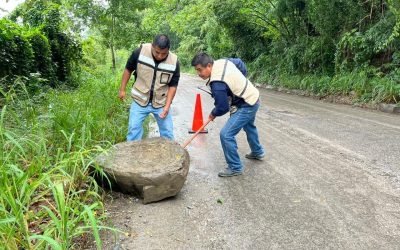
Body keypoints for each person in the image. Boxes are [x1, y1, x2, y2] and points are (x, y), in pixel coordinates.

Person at [191, 52, 265, 177]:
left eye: (200, 70)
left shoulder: (217, 83)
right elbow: (240, 63)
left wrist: (213, 113)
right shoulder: (222, 61)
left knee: (226, 134)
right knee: (249, 126)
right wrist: (239, 82)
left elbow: (222, 107)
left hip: (247, 104)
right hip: (253, 97)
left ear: (209, 65)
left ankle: (235, 167)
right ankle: (258, 152)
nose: (199, 74)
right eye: (197, 70)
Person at [119, 34, 180, 141]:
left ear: (168, 50)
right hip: (139, 100)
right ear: (152, 46)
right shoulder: (139, 52)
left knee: (168, 134)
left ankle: (169, 155)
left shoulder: (174, 61)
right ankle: (133, 155)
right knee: (133, 130)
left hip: (161, 103)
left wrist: (167, 106)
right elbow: (128, 69)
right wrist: (122, 89)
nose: (160, 56)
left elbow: (173, 85)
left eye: (164, 53)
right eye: (157, 52)